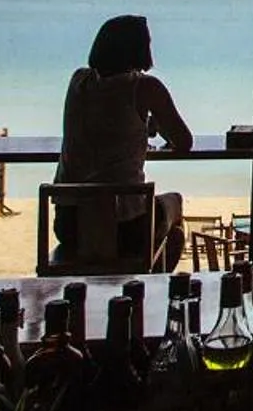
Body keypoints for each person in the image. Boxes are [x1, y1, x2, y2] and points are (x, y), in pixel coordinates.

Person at [58, 14, 191, 271]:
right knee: (175, 204)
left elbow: (105, 121)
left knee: (145, 215)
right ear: (140, 49)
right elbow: (184, 141)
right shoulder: (146, 87)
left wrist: (141, 127)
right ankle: (152, 283)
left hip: (69, 225)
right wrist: (155, 125)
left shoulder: (78, 81)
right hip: (124, 227)